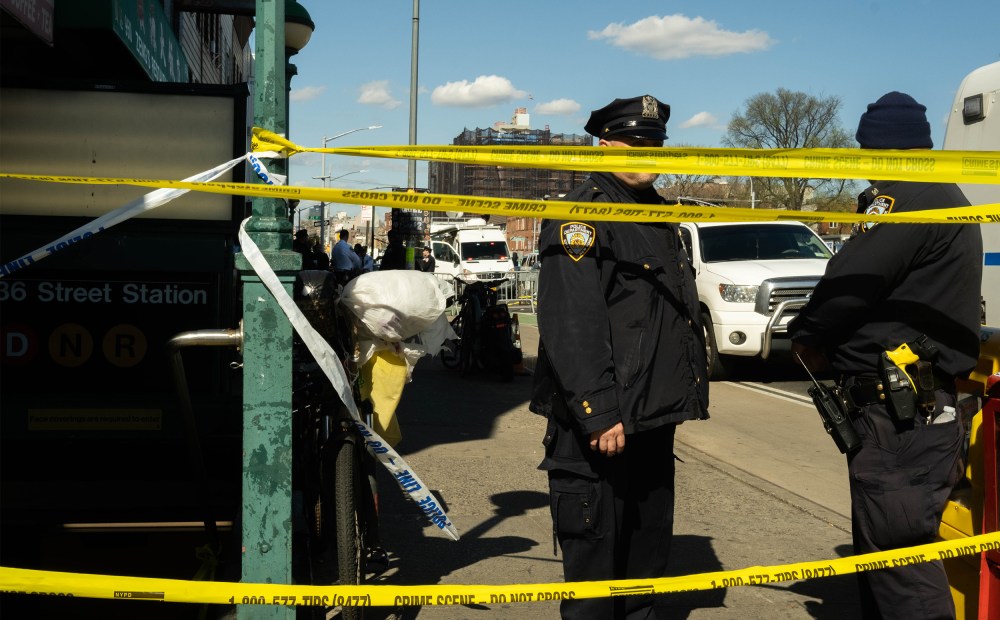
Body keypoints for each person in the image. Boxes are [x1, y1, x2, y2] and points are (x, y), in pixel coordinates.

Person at [788, 91, 982, 620]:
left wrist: (806, 334)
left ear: (881, 149)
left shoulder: (908, 200)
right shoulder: (944, 195)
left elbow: (848, 286)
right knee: (887, 553)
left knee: (900, 564)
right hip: (911, 413)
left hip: (900, 420)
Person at [529, 95, 709, 619]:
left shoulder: (656, 214)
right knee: (594, 576)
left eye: (656, 144)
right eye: (634, 143)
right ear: (603, 146)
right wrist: (598, 409)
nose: (647, 152)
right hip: (601, 429)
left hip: (652, 421)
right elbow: (572, 323)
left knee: (643, 571)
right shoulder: (581, 215)